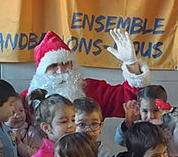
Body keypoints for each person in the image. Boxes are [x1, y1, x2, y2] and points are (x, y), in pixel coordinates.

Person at [24, 29, 153, 118]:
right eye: (53, 66)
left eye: (65, 63)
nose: (61, 70)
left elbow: (130, 99)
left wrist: (131, 64)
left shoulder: (92, 90)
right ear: (42, 71)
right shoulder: (25, 100)